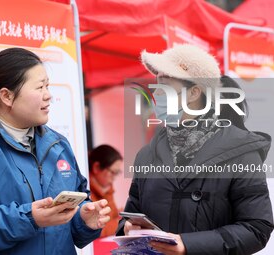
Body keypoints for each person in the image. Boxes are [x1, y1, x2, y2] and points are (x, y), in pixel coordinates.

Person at [0, 48, 111, 255]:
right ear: (7, 96)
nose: (48, 96)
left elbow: (72, 223)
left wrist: (84, 220)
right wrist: (29, 218)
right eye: (39, 87)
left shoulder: (59, 145)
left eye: (48, 85)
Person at [117, 44, 274, 255]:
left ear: (194, 93)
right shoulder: (146, 155)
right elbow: (132, 212)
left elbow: (257, 228)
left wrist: (188, 245)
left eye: (165, 85)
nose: (157, 94)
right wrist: (127, 228)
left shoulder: (241, 151)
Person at [89, 145, 122, 237]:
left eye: (117, 173)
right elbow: (97, 228)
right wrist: (120, 223)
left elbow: (114, 217)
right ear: (96, 167)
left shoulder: (107, 187)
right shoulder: (85, 189)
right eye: (113, 172)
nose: (114, 178)